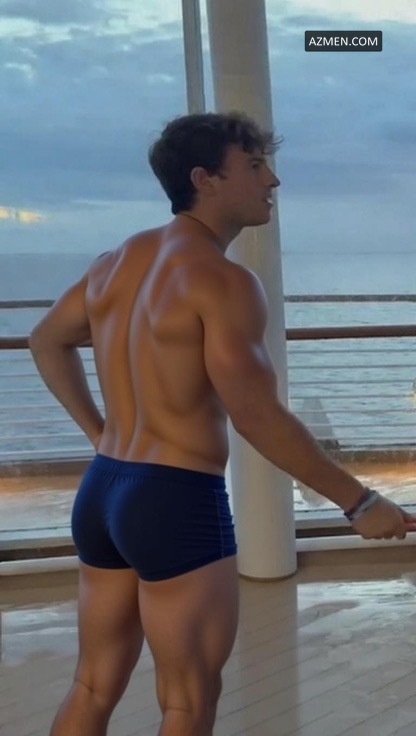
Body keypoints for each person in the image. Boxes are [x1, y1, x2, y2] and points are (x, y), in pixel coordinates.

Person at [29, 111, 416, 736]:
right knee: (187, 702)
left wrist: (101, 436)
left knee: (92, 684)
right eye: (255, 166)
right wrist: (360, 501)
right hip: (174, 499)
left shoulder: (114, 262)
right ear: (203, 179)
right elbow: (256, 415)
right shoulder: (223, 281)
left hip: (104, 488)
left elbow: (46, 339)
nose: (273, 181)